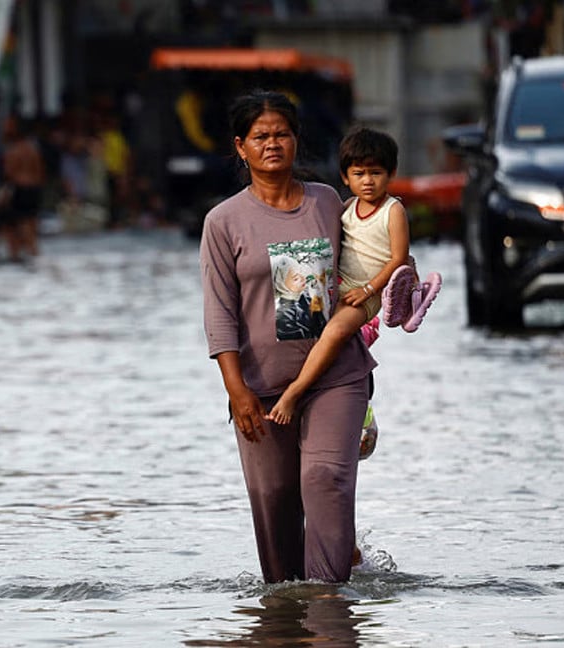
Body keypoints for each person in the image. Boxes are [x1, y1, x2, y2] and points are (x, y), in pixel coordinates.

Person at [199, 89, 377, 583]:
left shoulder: (327, 203)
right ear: (241, 147)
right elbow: (219, 313)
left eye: (282, 134)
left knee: (325, 480)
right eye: (260, 136)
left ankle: (328, 601)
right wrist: (237, 391)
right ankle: (284, 618)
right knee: (275, 505)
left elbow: (367, 268)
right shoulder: (223, 222)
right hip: (260, 385)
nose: (272, 144)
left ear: (296, 141)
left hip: (336, 376)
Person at [266, 126, 441, 425]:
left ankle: (295, 392)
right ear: (346, 177)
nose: (368, 181)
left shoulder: (392, 211)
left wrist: (369, 290)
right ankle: (291, 379)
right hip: (341, 284)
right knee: (294, 316)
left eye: (375, 173)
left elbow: (398, 257)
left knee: (334, 332)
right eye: (359, 174)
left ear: (391, 173)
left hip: (369, 293)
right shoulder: (347, 208)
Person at [2, 115, 45, 259]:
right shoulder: (32, 149)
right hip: (34, 187)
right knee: (31, 221)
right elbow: (39, 170)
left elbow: (9, 172)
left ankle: (17, 252)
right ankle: (33, 250)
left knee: (18, 222)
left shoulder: (12, 151)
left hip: (20, 187)